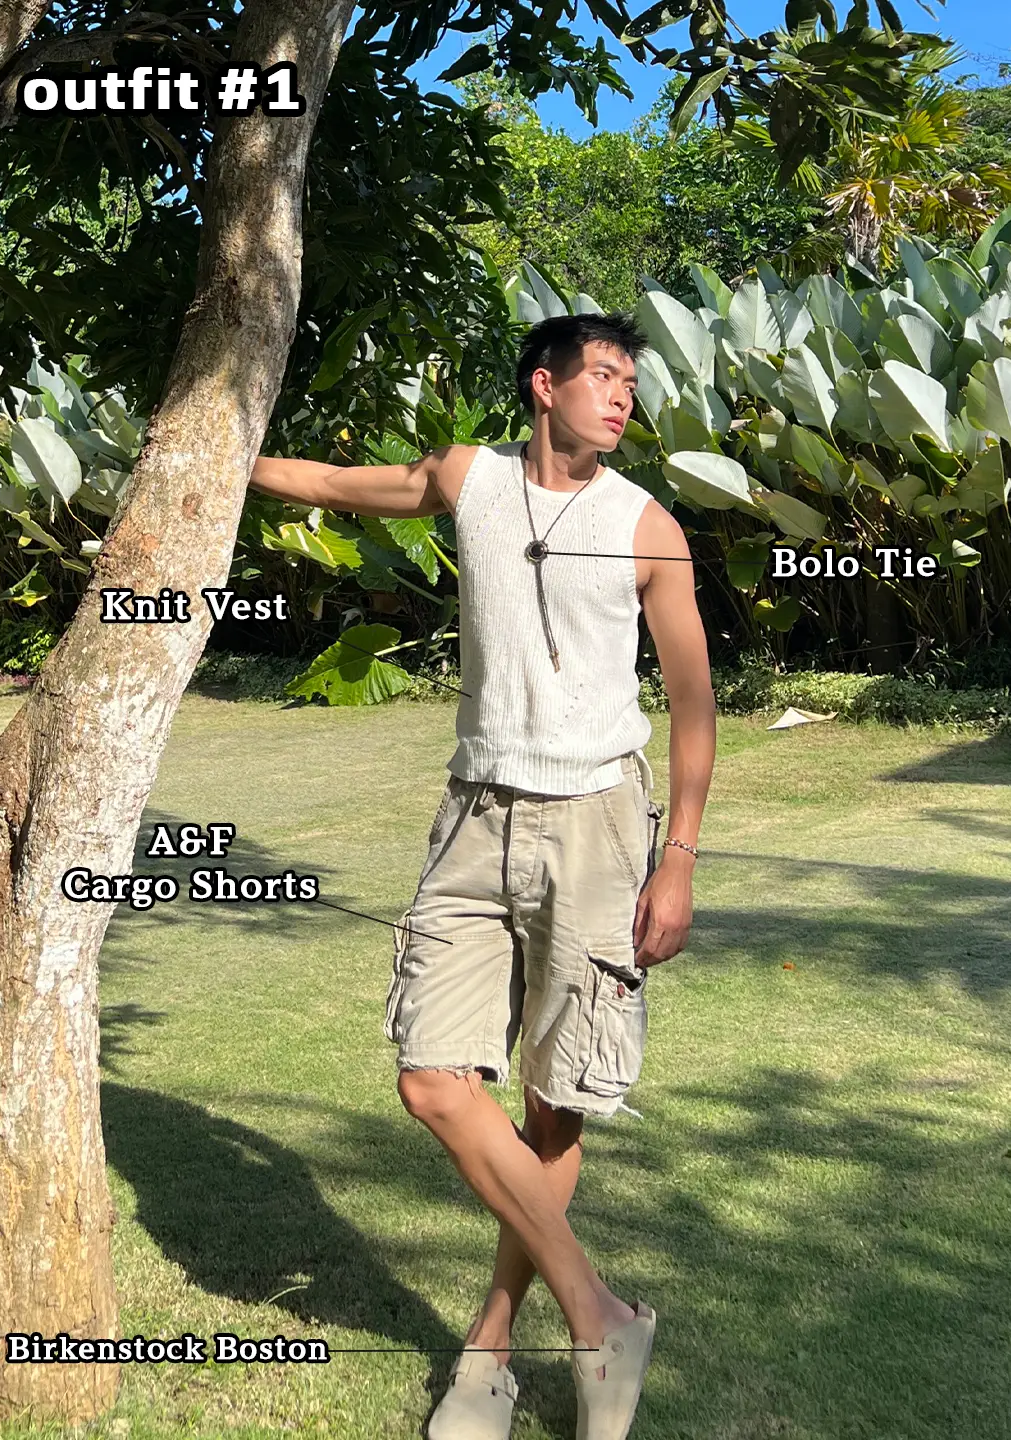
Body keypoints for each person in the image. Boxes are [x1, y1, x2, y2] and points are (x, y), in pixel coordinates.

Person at [249, 312, 716, 1440]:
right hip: (474, 817)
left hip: (599, 824)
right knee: (433, 1082)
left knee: (557, 1105)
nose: (622, 398)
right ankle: (602, 1316)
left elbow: (696, 703)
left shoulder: (646, 528)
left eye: (630, 383)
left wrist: (683, 858)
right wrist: (220, 452)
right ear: (541, 386)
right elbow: (333, 483)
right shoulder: (471, 479)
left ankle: (488, 1353)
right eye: (602, 376)